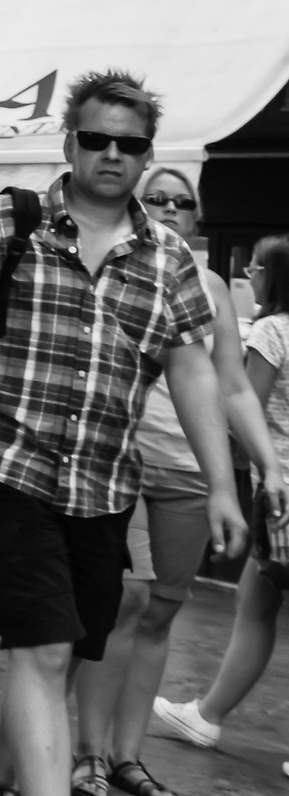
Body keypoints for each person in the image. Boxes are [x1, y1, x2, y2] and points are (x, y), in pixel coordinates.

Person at [0, 70, 244, 796]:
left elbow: (191, 370)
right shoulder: (10, 223)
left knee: (66, 645)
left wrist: (223, 484)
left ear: (147, 155)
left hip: (106, 482)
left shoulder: (169, 259)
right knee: (42, 651)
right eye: (97, 139)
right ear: (70, 143)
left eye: (130, 144)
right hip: (11, 464)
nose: (113, 155)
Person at [71, 167, 286, 796]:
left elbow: (234, 385)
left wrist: (260, 467)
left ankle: (128, 755)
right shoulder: (113, 263)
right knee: (125, 605)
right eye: (156, 197)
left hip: (192, 469)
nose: (168, 208)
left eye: (181, 202)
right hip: (122, 459)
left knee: (163, 610)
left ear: (198, 218)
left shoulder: (214, 287)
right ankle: (88, 755)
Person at [155, 232, 289, 753]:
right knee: (257, 600)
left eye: (256, 267)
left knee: (256, 609)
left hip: (279, 493)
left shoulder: (273, 334)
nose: (249, 275)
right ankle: (208, 712)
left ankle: (208, 716)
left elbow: (242, 402)